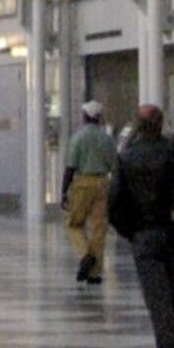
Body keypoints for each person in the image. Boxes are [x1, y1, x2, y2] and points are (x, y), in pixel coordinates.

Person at [109, 105, 174, 348]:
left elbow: (114, 202)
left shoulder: (127, 158)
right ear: (160, 125)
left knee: (159, 300)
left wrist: (130, 232)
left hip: (145, 235)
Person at [61, 100, 119, 285]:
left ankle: (85, 254)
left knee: (74, 223)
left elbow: (70, 166)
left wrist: (64, 191)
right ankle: (95, 273)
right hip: (103, 183)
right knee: (98, 228)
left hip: (82, 183)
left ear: (84, 116)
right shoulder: (107, 138)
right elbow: (115, 166)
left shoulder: (77, 137)